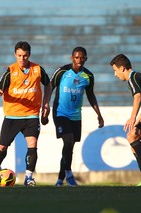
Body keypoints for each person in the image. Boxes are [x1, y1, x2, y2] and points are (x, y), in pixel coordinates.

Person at [0, 41, 51, 186]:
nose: (22, 59)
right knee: (2, 146)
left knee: (32, 144)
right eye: (19, 55)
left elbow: (48, 84)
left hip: (31, 115)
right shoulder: (10, 71)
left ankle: (28, 177)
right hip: (12, 116)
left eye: (25, 56)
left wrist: (46, 102)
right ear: (15, 55)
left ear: (29, 55)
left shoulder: (38, 69)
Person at [43, 46, 104, 187]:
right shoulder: (62, 72)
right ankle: (69, 174)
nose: (79, 60)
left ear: (86, 59)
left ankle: (60, 180)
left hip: (76, 115)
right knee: (68, 141)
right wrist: (45, 105)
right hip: (60, 113)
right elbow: (49, 87)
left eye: (82, 58)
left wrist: (99, 114)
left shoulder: (88, 76)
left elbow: (91, 95)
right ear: (72, 58)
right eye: (77, 57)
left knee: (68, 147)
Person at [110, 54, 141, 186]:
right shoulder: (139, 77)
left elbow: (138, 98)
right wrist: (136, 122)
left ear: (122, 68)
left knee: (132, 136)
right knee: (135, 145)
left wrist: (132, 118)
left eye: (115, 70)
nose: (115, 74)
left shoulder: (133, 78)